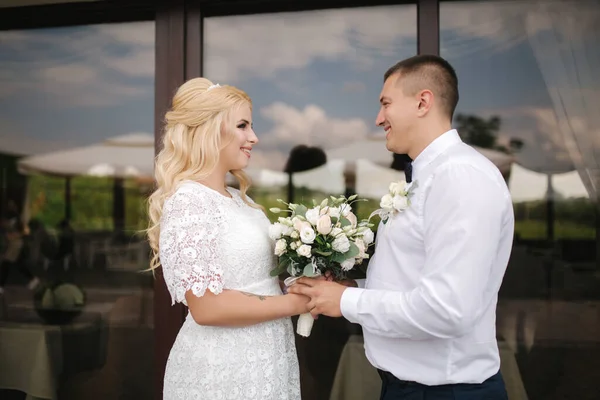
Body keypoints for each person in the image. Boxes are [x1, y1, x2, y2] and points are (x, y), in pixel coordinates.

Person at [288, 55, 514, 399]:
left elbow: (446, 309)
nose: (379, 119)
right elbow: (413, 278)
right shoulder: (431, 177)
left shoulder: (460, 178)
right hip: (409, 388)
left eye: (386, 104)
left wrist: (348, 301)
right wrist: (355, 285)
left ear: (423, 102)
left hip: (445, 392)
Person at [147, 78, 308, 399]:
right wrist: (294, 303)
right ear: (208, 129)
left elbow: (257, 279)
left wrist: (305, 284)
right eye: (242, 125)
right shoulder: (189, 201)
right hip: (222, 367)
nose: (254, 137)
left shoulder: (240, 199)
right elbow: (207, 307)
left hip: (267, 358)